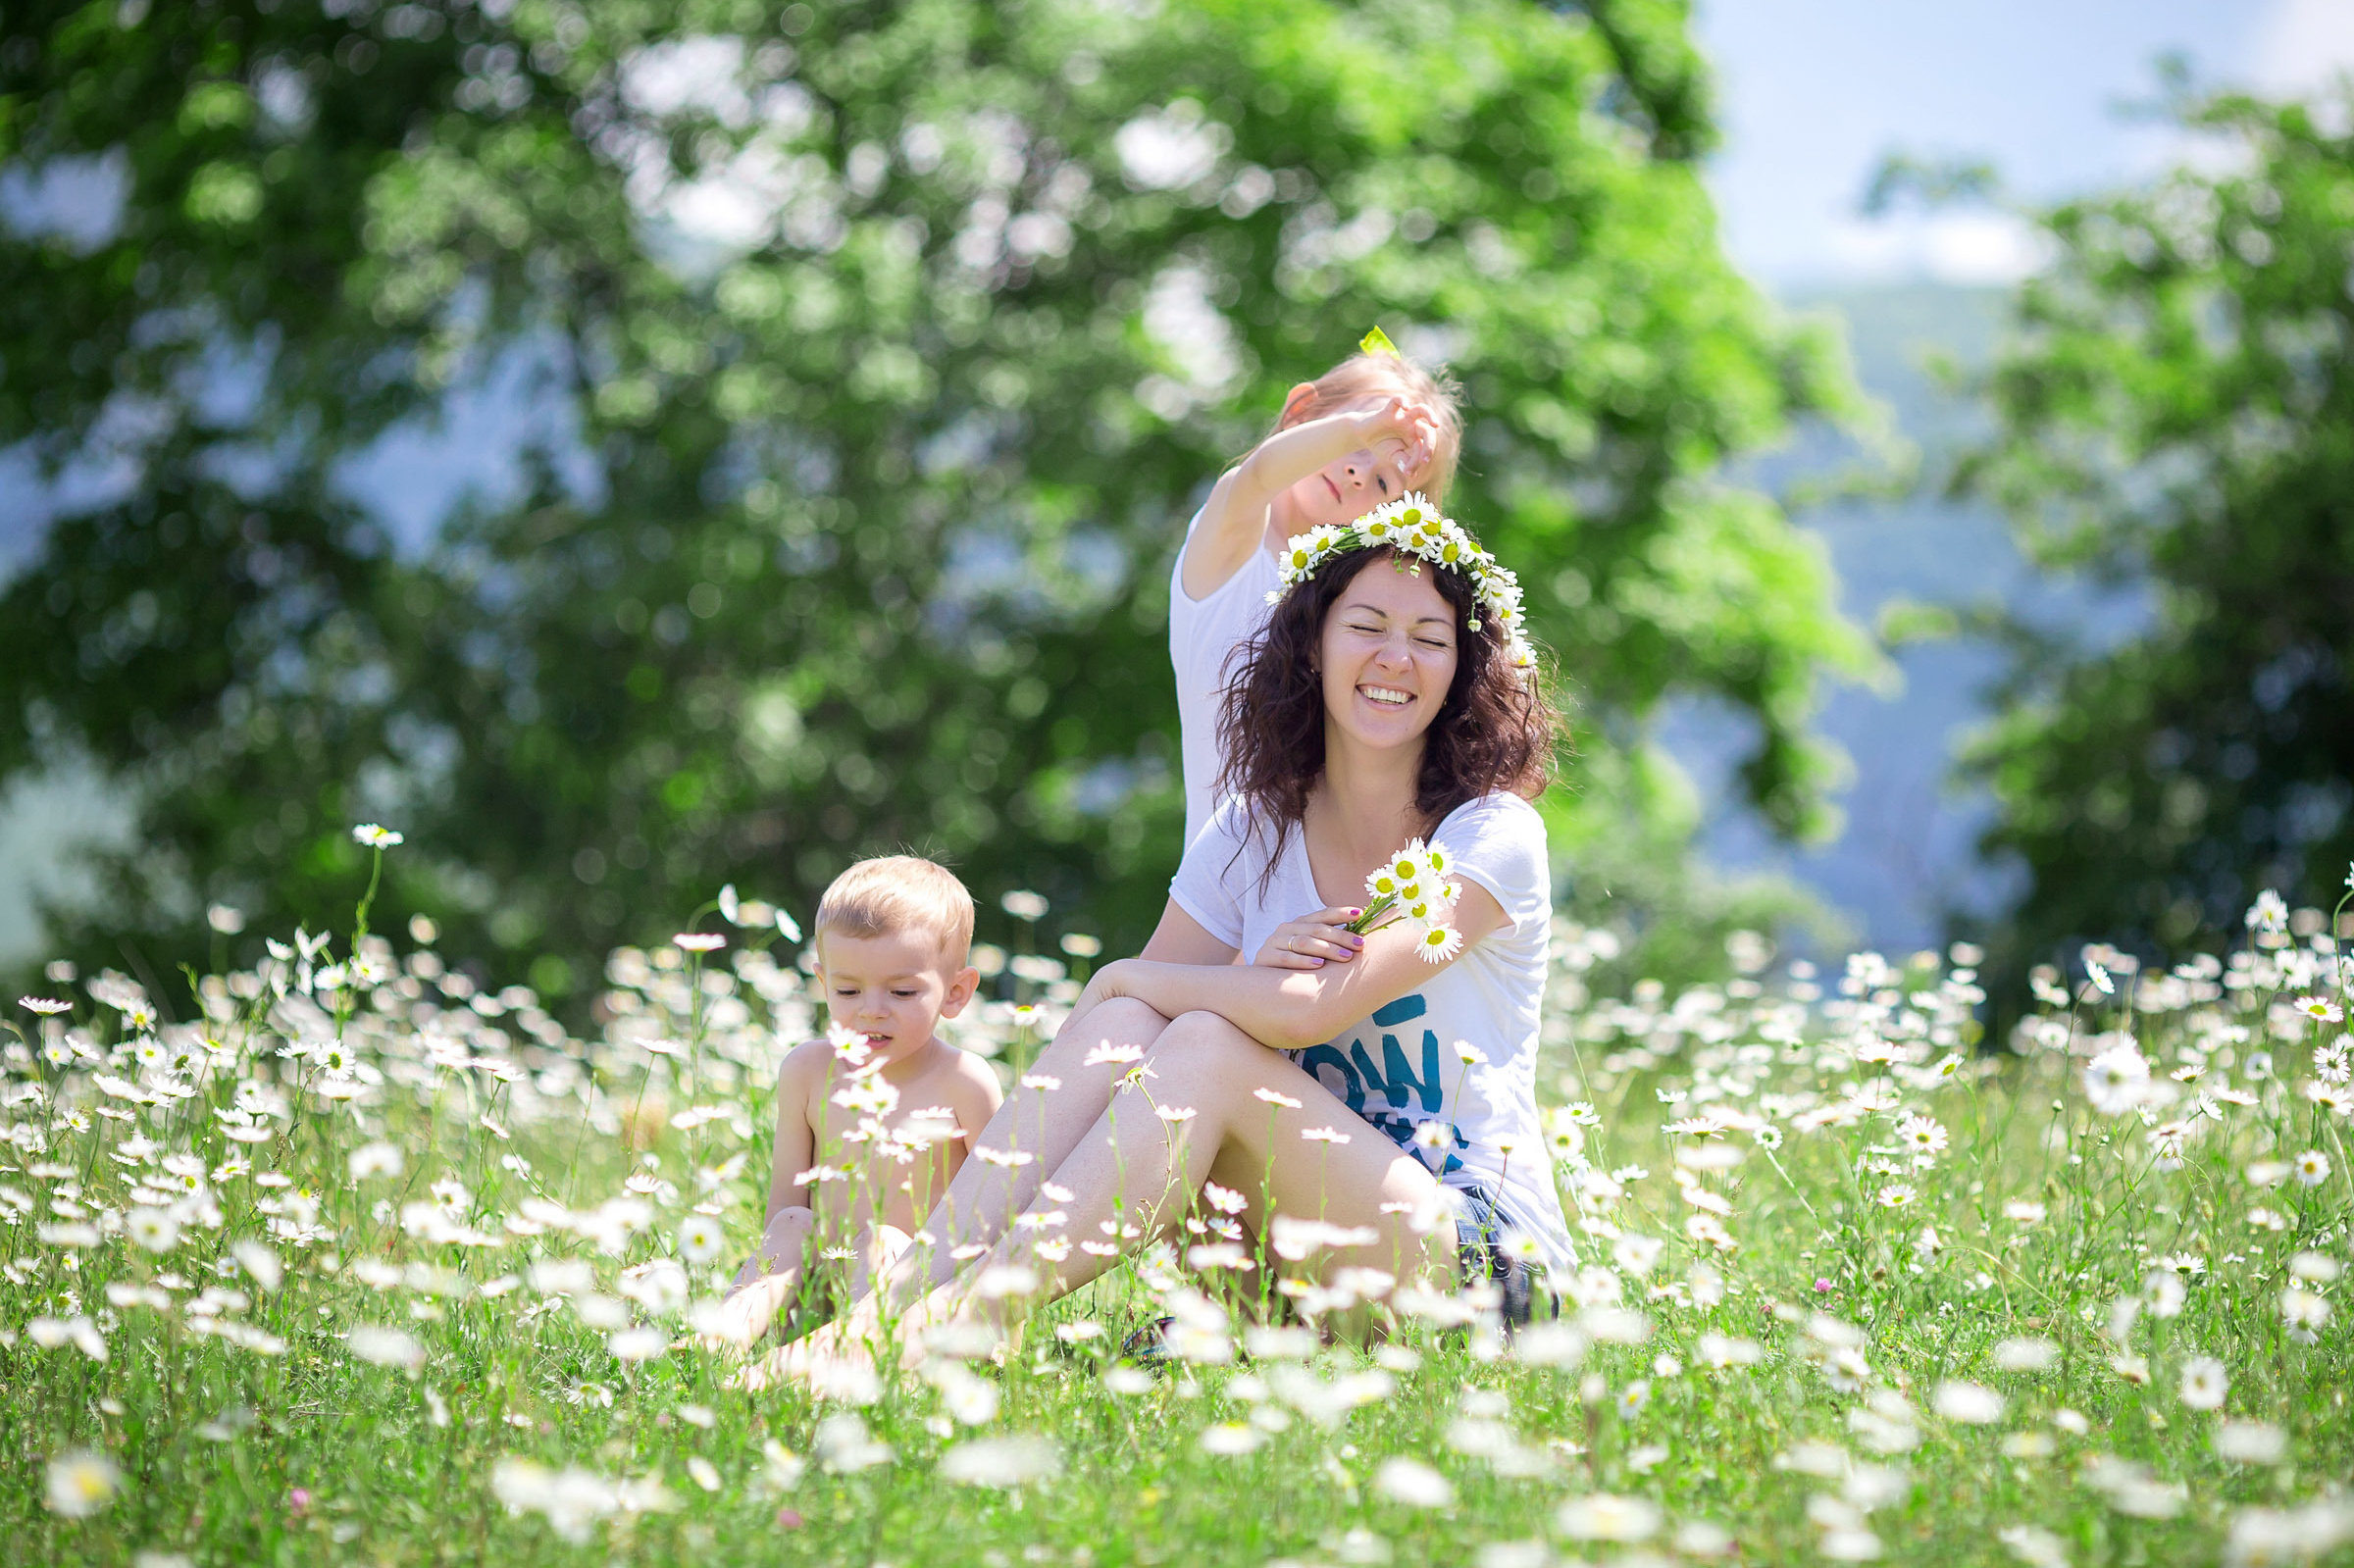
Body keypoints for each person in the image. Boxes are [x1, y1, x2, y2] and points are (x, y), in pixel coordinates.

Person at [747, 497, 1568, 1381]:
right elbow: (1126, 1026)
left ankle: (966, 1321)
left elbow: (1306, 1007)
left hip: (1474, 1260)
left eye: (1430, 638)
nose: (1395, 658)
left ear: (1461, 668)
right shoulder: (1258, 822)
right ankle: (895, 1304)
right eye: (1365, 624)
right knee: (1139, 1028)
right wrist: (1132, 990)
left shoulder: (1492, 835)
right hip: (1285, 1263)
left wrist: (1121, 974)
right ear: (1313, 643)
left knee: (1202, 1038)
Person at [1171, 335, 1462, 848]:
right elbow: (1257, 475)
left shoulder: (1353, 612)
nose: (1356, 472)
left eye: (1382, 483)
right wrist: (1367, 426)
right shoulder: (1231, 544)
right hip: (1220, 894)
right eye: (1352, 444)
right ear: (1301, 411)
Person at [709, 855, 1003, 1345]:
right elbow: (785, 1207)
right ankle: (717, 1343)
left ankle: (859, 1349)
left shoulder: (964, 1081)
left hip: (917, 1298)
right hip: (818, 1291)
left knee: (885, 1240)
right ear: (823, 984)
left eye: (903, 992)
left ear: (955, 992)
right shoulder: (807, 1070)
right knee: (792, 1223)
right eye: (848, 990)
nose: (872, 1011)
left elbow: (999, 1217)